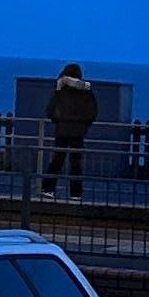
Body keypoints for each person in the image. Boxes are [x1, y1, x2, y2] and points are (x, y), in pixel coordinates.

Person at [42, 60, 98, 201]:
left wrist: (59, 120)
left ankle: (48, 189)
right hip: (78, 131)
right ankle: (76, 193)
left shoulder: (61, 91)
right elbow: (92, 112)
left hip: (62, 129)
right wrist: (84, 125)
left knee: (57, 160)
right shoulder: (87, 91)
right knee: (76, 163)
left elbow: (50, 111)